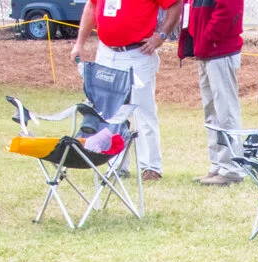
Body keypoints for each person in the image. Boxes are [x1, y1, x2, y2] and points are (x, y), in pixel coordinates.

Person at [70, 0, 183, 181]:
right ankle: (115, 164)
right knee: (108, 112)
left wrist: (161, 35)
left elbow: (175, 4)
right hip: (107, 53)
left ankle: (151, 167)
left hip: (138, 53)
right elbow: (91, 7)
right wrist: (79, 44)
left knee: (143, 111)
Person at [177, 0, 245, 185]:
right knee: (212, 113)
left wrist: (209, 37)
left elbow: (229, 9)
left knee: (226, 112)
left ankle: (232, 169)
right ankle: (218, 165)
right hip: (206, 49)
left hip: (219, 49)